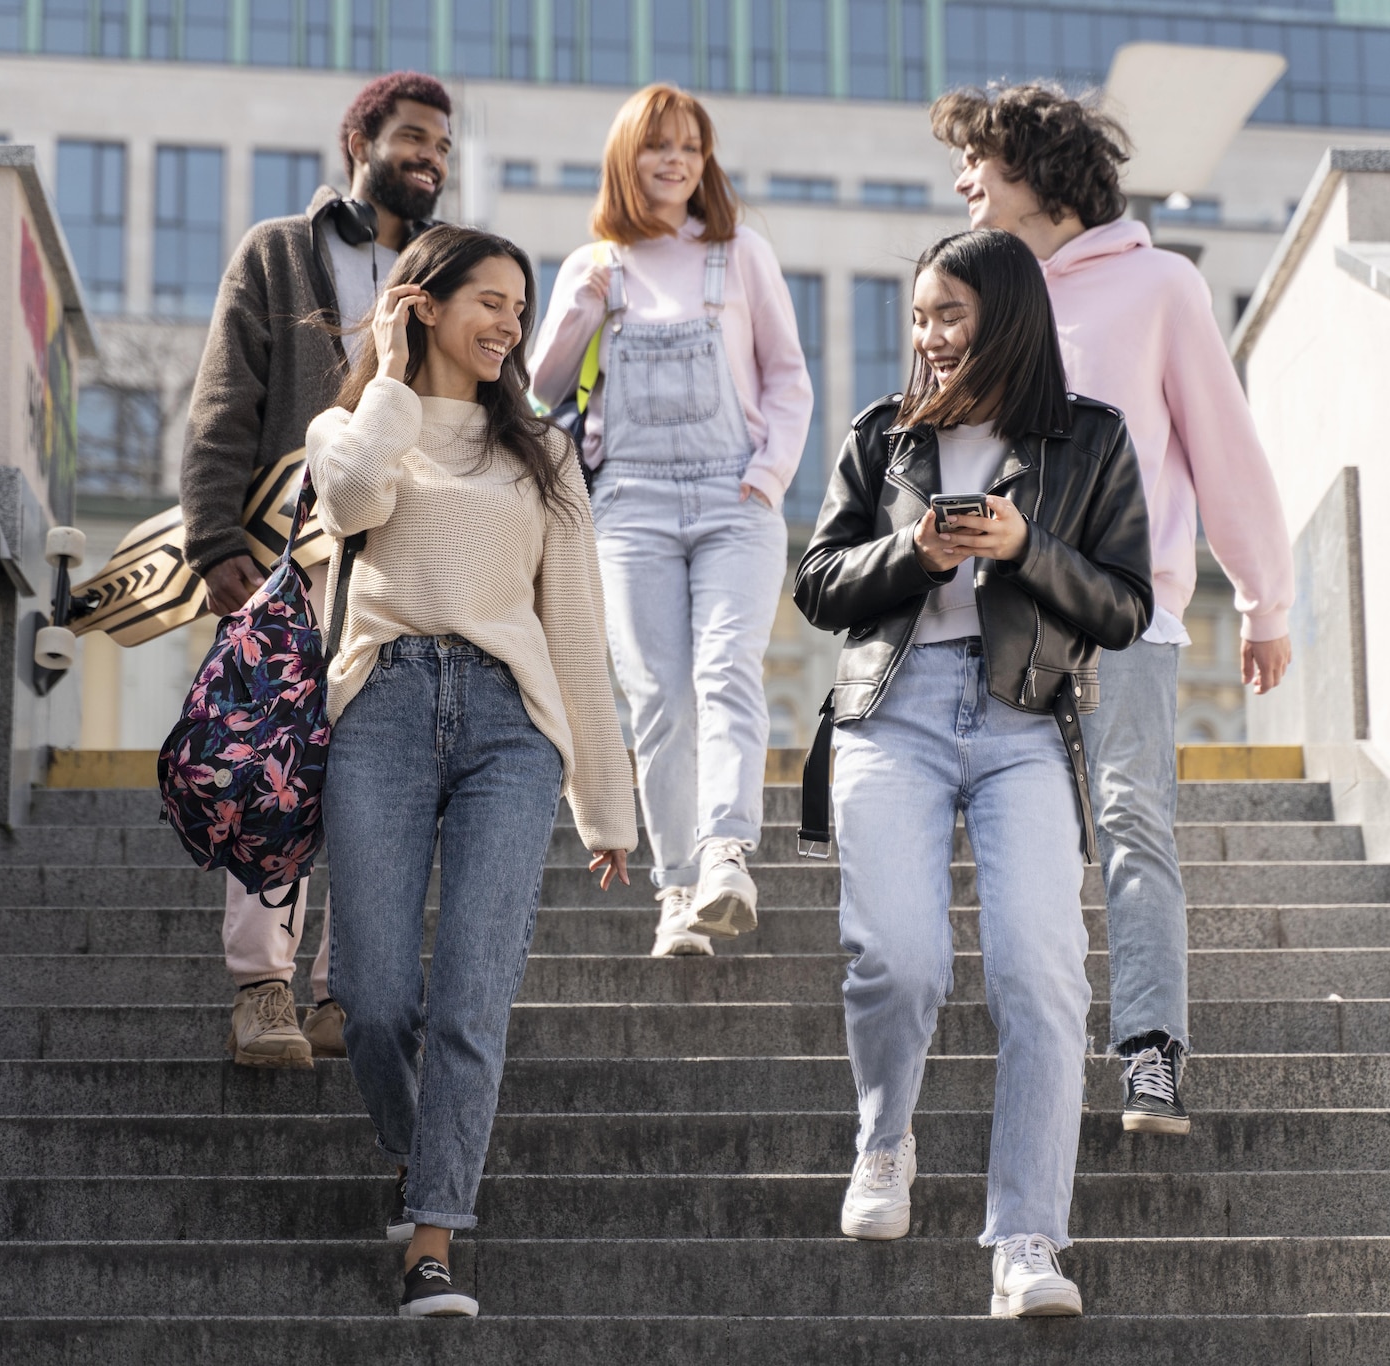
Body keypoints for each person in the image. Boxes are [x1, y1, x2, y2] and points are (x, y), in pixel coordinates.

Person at [794, 229, 1153, 1317]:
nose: (929, 338)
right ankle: (884, 1141)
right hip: (887, 717)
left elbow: (1124, 605)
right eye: (918, 318)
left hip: (1021, 724)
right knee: (897, 959)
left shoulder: (1089, 439)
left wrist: (1019, 545)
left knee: (1040, 976)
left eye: (947, 314)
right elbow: (814, 582)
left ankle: (1027, 1240)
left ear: (1005, 314)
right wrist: (920, 554)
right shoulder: (879, 437)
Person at [933, 83, 1295, 1134]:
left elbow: (1222, 444)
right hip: (997, 616)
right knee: (1026, 840)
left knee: (1131, 819)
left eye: (979, 163)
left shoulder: (1160, 287)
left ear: (1038, 174)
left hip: (1126, 612)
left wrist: (1265, 597)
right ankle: (1035, 1045)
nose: (961, 181)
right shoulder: (981, 294)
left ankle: (1146, 1048)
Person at [308, 225, 636, 1317]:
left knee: (469, 999)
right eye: (486, 301)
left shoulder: (540, 452)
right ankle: (423, 1153)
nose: (507, 323)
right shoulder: (354, 426)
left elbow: (575, 626)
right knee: (370, 1000)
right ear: (423, 303)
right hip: (380, 708)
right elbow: (350, 502)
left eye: (518, 305)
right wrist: (393, 380)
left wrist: (605, 802)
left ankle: (433, 1233)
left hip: (510, 725)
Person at [180, 71, 453, 1068]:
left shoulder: (446, 269)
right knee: (269, 762)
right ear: (360, 140)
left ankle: (345, 988)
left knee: (381, 775)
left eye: (442, 146)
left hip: (403, 568)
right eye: (413, 136)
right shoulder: (278, 252)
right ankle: (262, 988)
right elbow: (221, 399)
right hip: (287, 558)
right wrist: (215, 541)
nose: (430, 155)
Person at [532, 83, 812, 958]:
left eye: (691, 146)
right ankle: (678, 892)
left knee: (726, 668)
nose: (678, 161)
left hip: (735, 497)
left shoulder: (742, 252)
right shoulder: (594, 266)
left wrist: (767, 478)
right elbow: (536, 393)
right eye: (660, 146)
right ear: (628, 157)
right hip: (631, 505)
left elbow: (787, 380)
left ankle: (728, 852)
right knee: (656, 697)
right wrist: (583, 301)